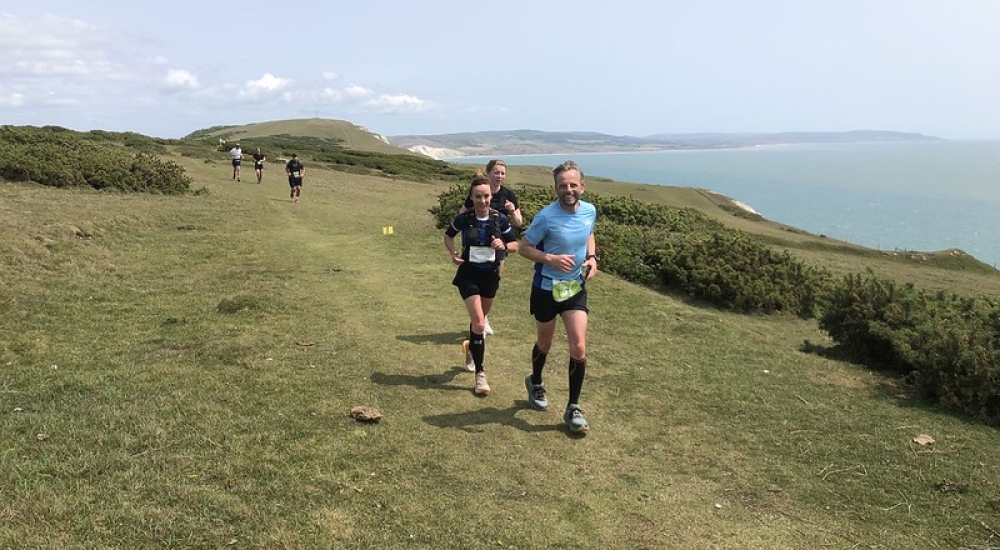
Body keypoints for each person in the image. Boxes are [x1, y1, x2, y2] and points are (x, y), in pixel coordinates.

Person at [518, 160, 598, 433]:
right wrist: (549, 257)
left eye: (573, 184)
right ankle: (536, 382)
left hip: (574, 288)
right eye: (563, 185)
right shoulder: (545, 217)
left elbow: (589, 234)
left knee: (578, 346)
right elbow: (523, 247)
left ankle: (573, 406)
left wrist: (592, 257)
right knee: (545, 341)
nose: (568, 189)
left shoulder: (589, 211)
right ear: (555, 188)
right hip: (546, 288)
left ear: (582, 187)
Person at [443, 171, 518, 396]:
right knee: (478, 323)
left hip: (490, 275)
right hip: (468, 274)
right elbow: (448, 236)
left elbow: (515, 245)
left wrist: (502, 246)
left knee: (480, 321)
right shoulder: (464, 219)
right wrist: (453, 253)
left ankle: (470, 348)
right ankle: (481, 376)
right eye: (478, 197)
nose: (483, 201)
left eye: (486, 196)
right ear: (472, 198)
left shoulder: (499, 219)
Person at [459, 159, 523, 335]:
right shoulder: (480, 192)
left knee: (492, 283)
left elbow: (519, 222)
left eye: (502, 173)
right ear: (489, 174)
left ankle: (483, 318)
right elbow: (462, 213)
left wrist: (511, 211)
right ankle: (479, 318)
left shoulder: (508, 195)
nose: (500, 176)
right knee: (475, 281)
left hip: (499, 245)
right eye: (496, 172)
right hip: (477, 245)